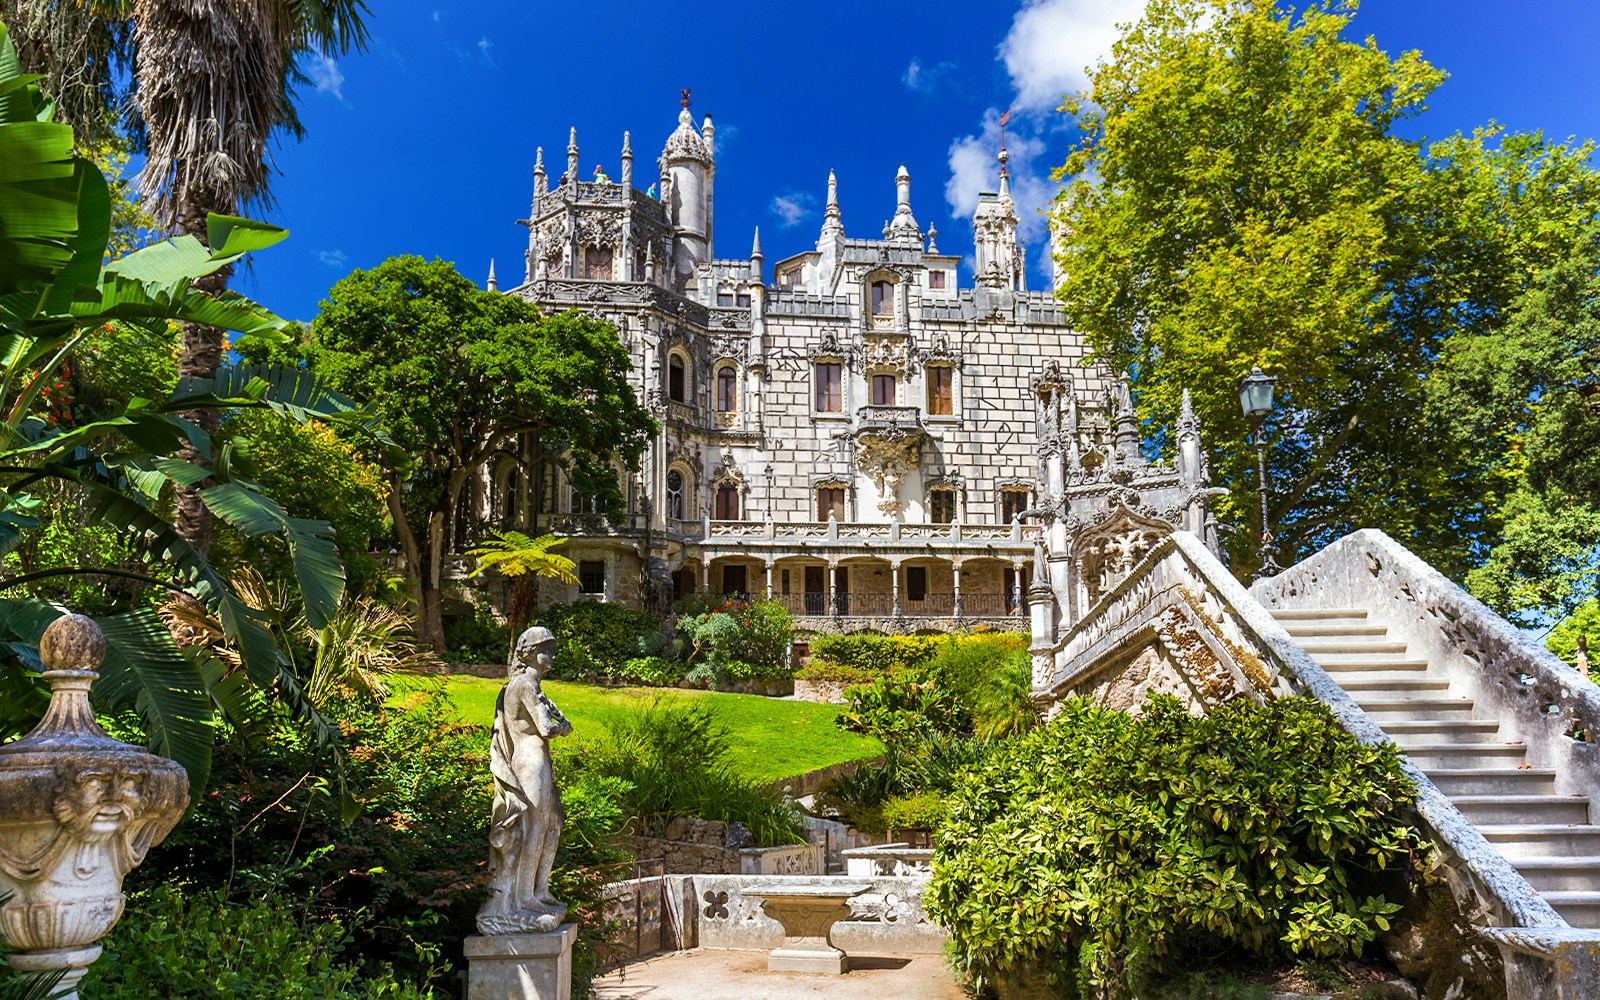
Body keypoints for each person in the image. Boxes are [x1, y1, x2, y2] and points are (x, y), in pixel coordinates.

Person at [476, 626, 573, 934]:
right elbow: (545, 728)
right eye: (548, 649)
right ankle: (524, 898)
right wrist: (563, 725)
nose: (553, 656)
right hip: (531, 762)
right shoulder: (525, 686)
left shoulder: (527, 685)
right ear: (530, 652)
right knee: (535, 828)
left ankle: (539, 891)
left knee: (552, 824)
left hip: (537, 762)